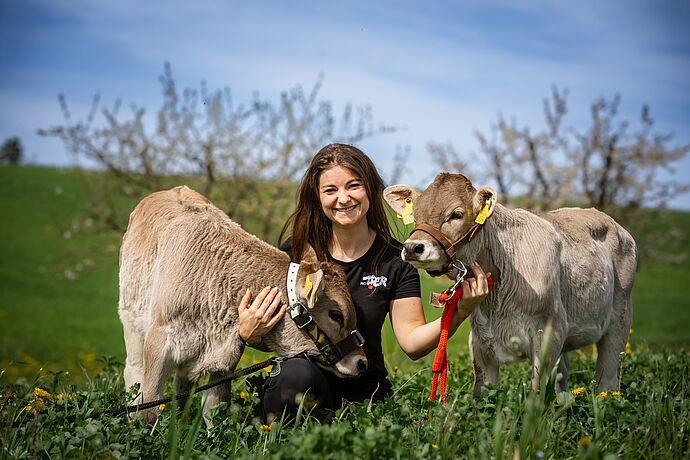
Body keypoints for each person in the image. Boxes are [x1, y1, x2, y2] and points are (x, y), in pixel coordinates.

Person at [238, 143, 490, 422]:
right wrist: (250, 334)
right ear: (318, 197)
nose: (343, 198)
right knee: (296, 374)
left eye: (353, 186)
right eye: (330, 190)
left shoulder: (395, 260)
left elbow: (413, 343)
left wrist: (460, 311)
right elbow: (271, 325)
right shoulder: (296, 253)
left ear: (369, 188)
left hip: (367, 399)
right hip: (301, 386)